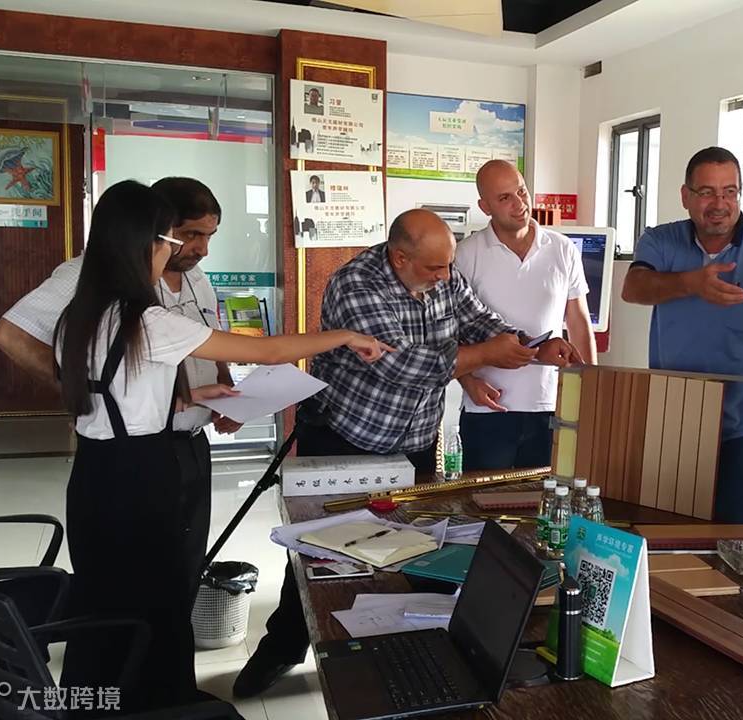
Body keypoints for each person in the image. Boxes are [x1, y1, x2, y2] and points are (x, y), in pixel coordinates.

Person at [54, 180, 387, 715]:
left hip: (96, 476)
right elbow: (267, 350)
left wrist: (191, 395)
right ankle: (159, 703)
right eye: (169, 241)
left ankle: (105, 699)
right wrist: (344, 336)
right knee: (159, 601)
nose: (173, 254)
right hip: (143, 479)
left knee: (106, 598)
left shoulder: (83, 313)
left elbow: (113, 389)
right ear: (145, 245)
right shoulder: (148, 319)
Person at [233, 208, 579, 697]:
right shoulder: (356, 284)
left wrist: (532, 345)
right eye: (435, 268)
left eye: (448, 267)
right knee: (323, 554)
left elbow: (480, 321)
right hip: (348, 439)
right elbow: (403, 366)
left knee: (410, 547)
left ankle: (404, 651)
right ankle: (284, 647)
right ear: (399, 258)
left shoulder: (441, 274)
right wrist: (487, 355)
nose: (445, 277)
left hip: (415, 441)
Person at [0, 176, 240, 607]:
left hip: (192, 443)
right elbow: (10, 334)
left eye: (209, 236)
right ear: (155, 228)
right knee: (131, 584)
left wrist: (229, 390)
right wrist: (89, 394)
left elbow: (211, 335)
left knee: (182, 568)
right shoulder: (91, 274)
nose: (202, 249)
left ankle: (169, 647)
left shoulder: (195, 275)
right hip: (137, 451)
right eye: (190, 235)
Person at [621, 146, 743, 523]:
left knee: (733, 541)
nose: (720, 204)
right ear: (685, 196)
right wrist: (691, 283)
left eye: (730, 191)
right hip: (674, 419)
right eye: (707, 192)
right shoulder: (660, 241)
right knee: (669, 534)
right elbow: (634, 288)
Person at [454, 159, 597, 470]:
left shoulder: (562, 248)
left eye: (521, 191)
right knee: (484, 498)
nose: (519, 204)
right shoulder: (466, 255)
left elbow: (578, 322)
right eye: (504, 198)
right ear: (485, 206)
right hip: (488, 408)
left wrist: (592, 387)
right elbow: (449, 332)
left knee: (549, 494)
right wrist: (468, 382)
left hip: (551, 403)